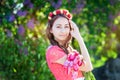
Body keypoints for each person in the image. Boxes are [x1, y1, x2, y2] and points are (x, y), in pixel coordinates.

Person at [46, 9, 93, 80]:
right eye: (58, 27)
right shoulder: (54, 52)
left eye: (66, 26)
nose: (63, 31)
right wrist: (80, 40)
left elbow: (87, 66)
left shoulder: (69, 49)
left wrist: (78, 37)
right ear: (51, 29)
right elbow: (88, 67)